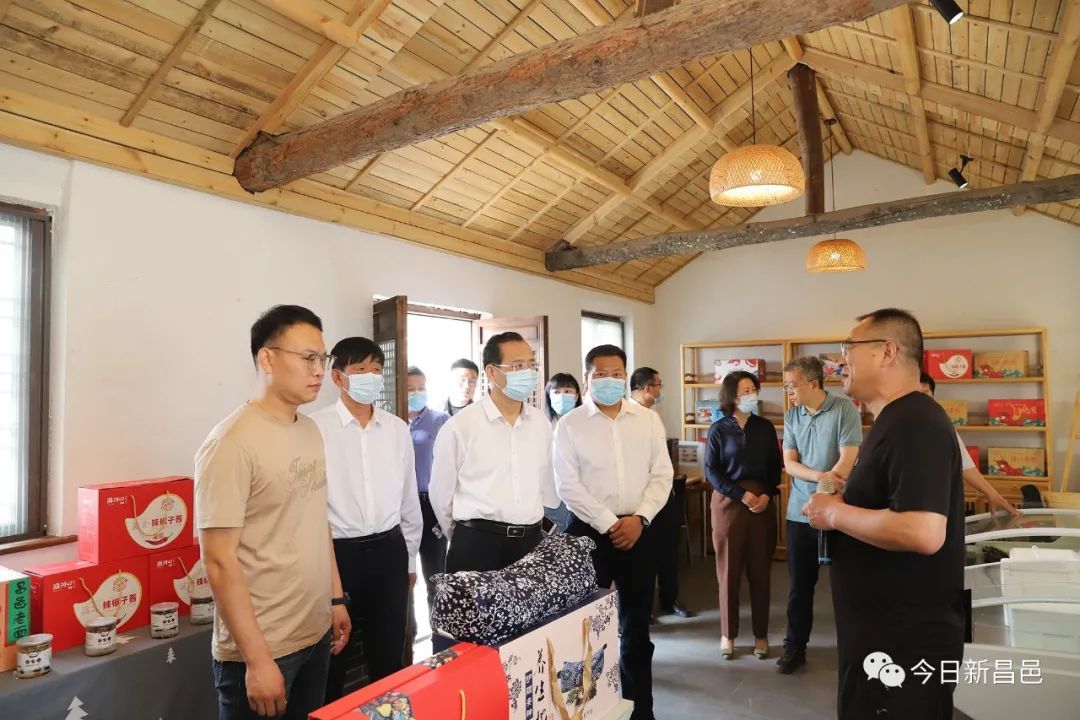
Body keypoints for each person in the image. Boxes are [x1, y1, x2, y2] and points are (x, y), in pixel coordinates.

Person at [803, 308, 966, 720]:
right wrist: (844, 500)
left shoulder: (916, 422)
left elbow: (922, 530)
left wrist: (835, 515)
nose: (841, 360)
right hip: (882, 635)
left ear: (887, 352)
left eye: (849, 348)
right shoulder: (895, 419)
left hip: (903, 644)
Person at [195, 305, 350, 720]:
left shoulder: (309, 429)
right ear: (267, 359)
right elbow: (218, 560)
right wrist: (258, 660)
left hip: (314, 632)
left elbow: (317, 522)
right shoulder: (230, 443)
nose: (319, 370)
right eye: (308, 358)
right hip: (264, 647)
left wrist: (335, 598)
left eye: (323, 358)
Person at [554, 345, 673, 720]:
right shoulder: (569, 424)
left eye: (617, 373)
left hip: (640, 530)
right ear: (587, 377)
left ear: (626, 376)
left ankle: (641, 711)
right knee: (585, 630)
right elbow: (567, 486)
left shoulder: (647, 420)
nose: (610, 379)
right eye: (601, 374)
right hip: (589, 535)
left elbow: (662, 475)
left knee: (636, 629)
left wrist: (640, 518)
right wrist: (609, 523)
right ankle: (588, 711)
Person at [310, 337, 422, 700]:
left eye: (376, 369)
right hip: (338, 556)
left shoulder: (396, 428)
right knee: (333, 659)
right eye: (360, 370)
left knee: (388, 656)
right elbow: (310, 508)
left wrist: (409, 559)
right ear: (338, 377)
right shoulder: (314, 429)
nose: (371, 377)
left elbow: (408, 500)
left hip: (389, 551)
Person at [430, 332, 558, 572]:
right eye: (518, 366)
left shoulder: (540, 423)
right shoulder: (461, 425)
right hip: (477, 544)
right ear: (491, 372)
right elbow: (440, 494)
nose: (528, 372)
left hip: (530, 543)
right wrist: (466, 535)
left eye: (531, 365)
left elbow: (546, 487)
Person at [777, 357, 862, 675]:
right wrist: (818, 480)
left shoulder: (844, 409)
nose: (789, 392)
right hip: (800, 513)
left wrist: (823, 494)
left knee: (847, 585)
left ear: (813, 383)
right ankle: (795, 647)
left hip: (839, 510)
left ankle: (855, 651)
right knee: (800, 586)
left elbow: (847, 460)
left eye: (792, 386)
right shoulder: (792, 415)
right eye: (786, 386)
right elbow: (790, 463)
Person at [704, 370, 782, 661]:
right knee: (728, 571)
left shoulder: (765, 427)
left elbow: (775, 467)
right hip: (728, 504)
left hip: (761, 504)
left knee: (760, 571)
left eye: (753, 389)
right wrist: (741, 495)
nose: (751, 395)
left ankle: (761, 635)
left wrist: (766, 494)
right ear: (732, 396)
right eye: (745, 391)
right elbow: (711, 471)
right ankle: (728, 634)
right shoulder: (718, 429)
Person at [630, 367, 693, 621]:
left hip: (664, 493)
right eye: (659, 385)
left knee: (669, 550)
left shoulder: (654, 414)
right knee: (645, 556)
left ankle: (670, 599)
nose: (660, 390)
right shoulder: (627, 415)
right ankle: (643, 609)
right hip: (640, 498)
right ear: (647, 388)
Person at [920, 372, 1019, 517]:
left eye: (925, 394)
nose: (920, 401)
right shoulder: (895, 424)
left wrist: (992, 494)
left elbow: (965, 464)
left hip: (937, 504)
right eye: (915, 395)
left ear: (933, 396)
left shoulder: (942, 426)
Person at [406, 366, 451, 607]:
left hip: (430, 505)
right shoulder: (393, 421)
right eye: (410, 388)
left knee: (436, 576)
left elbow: (453, 468)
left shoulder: (440, 421)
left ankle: (439, 625)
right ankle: (407, 628)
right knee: (403, 577)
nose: (416, 393)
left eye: (421, 387)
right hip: (401, 507)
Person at [543, 373, 583, 531]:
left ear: (576, 395)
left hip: (582, 499)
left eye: (567, 391)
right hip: (550, 501)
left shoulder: (587, 425)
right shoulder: (542, 426)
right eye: (557, 392)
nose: (562, 396)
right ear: (549, 396)